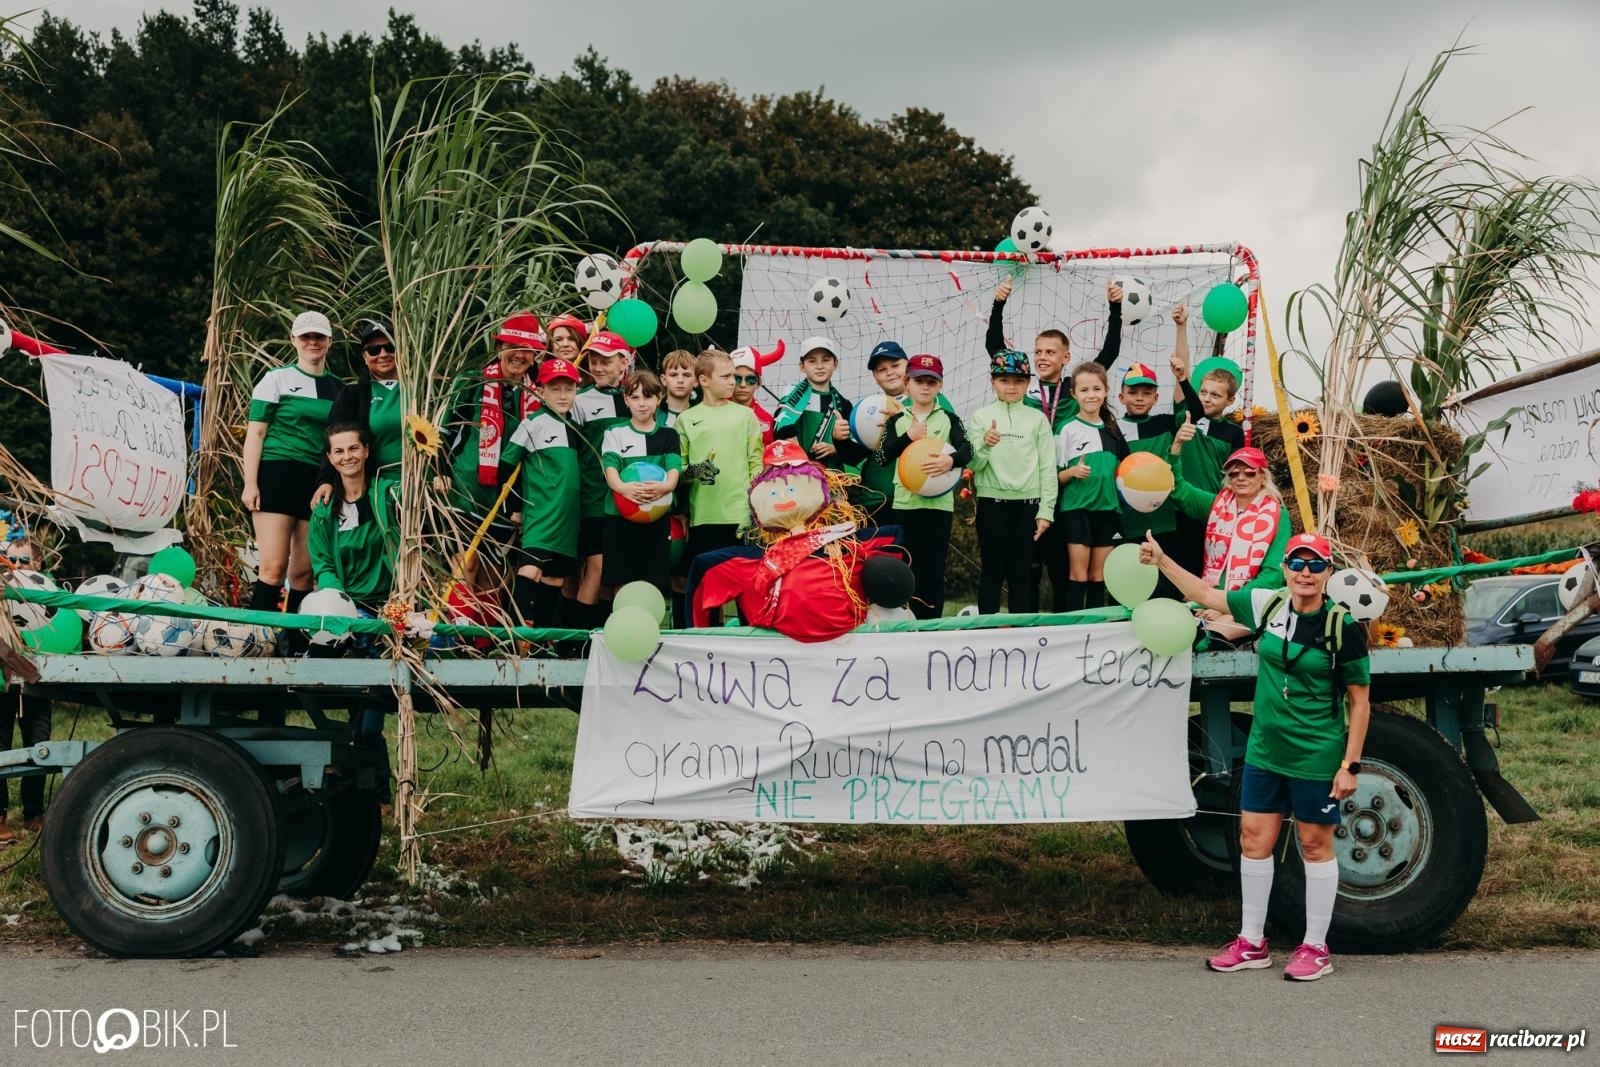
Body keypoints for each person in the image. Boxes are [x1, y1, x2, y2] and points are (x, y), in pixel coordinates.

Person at [1139, 529, 1370, 982]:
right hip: (1266, 749)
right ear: (1285, 568)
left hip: (1316, 754)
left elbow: (1359, 702)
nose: (1305, 573)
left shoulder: (1340, 626)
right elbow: (1206, 593)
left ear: (1327, 573)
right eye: (1297, 564)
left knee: (1313, 845)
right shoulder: (1268, 604)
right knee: (1252, 840)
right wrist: (1163, 561)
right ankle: (1252, 942)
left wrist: (1350, 765)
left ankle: (1315, 947)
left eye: (1315, 564)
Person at [988, 277, 1124, 611]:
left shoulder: (1076, 387)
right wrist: (998, 304)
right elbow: (996, 348)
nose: (1042, 357)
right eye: (1038, 351)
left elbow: (1109, 353)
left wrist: (1115, 308)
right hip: (1030, 485)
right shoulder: (1022, 386)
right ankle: (1029, 627)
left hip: (1067, 490)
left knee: (1064, 566)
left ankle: (1067, 627)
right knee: (1028, 565)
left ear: (1066, 357)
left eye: (1050, 352)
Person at [305, 422, 399, 806]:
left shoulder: (386, 496)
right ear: (330, 458)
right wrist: (339, 600)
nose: (347, 457)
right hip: (344, 605)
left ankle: (364, 769)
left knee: (373, 673)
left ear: (366, 451)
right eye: (339, 451)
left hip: (387, 603)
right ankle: (370, 772)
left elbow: (402, 546)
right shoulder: (325, 507)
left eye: (353, 449)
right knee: (363, 677)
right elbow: (322, 561)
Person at [242, 311, 341, 618]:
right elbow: (256, 433)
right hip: (277, 474)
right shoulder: (276, 379)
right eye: (306, 336)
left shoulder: (339, 389)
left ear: (329, 342)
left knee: (303, 574)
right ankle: (258, 635)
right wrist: (250, 483)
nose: (313, 342)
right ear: (294, 340)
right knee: (273, 567)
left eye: (319, 337)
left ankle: (294, 643)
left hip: (318, 481)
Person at [1164, 438, 1291, 642]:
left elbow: (1272, 575)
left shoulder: (1278, 514)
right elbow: (1179, 490)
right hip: (1209, 600)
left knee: (1205, 641)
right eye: (1233, 473)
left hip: (1249, 602)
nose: (1241, 477)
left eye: (1249, 472)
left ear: (1263, 477)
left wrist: (1225, 605)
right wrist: (1176, 449)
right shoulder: (1217, 505)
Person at [674, 350, 764, 624]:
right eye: (726, 377)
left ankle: (753, 645)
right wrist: (694, 471)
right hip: (704, 517)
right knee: (709, 592)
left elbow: (756, 463)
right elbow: (678, 468)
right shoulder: (686, 419)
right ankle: (710, 649)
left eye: (735, 377)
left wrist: (754, 507)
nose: (734, 383)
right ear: (703, 380)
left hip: (742, 517)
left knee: (749, 587)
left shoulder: (745, 416)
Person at [968, 349, 1057, 614]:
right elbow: (972, 464)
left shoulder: (1038, 419)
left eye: (1018, 381)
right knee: (992, 572)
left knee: (1022, 574)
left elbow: (1047, 467)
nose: (1011, 386)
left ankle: (1021, 638)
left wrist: (1046, 511)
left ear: (1028, 383)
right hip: (992, 504)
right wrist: (984, 444)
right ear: (992, 381)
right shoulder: (980, 417)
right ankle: (986, 636)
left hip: (1028, 505)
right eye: (1004, 380)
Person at [882, 355, 971, 619]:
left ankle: (932, 625)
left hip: (939, 506)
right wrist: (907, 437)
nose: (925, 387)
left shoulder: (950, 419)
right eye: (919, 380)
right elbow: (882, 457)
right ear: (907, 383)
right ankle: (909, 623)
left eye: (932, 382)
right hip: (906, 504)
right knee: (910, 567)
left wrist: (950, 460)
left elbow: (969, 449)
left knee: (934, 570)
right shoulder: (896, 420)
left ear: (939, 386)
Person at [500, 357, 586, 626]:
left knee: (556, 578)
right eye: (555, 388)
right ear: (540, 390)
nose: (562, 395)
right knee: (530, 569)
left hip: (568, 517)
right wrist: (515, 507)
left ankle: (542, 639)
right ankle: (514, 633)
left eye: (568, 389)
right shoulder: (532, 423)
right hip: (540, 514)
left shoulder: (576, 426)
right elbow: (506, 465)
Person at [439, 312, 545, 524]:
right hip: (466, 486)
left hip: (512, 496)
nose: (519, 355)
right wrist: (441, 472)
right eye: (512, 346)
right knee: (465, 557)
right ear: (499, 348)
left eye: (526, 350)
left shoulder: (539, 395)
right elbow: (443, 430)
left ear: (534, 355)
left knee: (497, 557)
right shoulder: (471, 382)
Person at [1169, 306, 1244, 576]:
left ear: (1229, 400)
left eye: (1215, 394)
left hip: (1213, 510)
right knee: (1176, 571)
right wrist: (1181, 326)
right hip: (1178, 507)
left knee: (1206, 574)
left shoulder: (1233, 432)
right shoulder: (1186, 414)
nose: (1207, 398)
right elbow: (1181, 370)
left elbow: (1238, 476)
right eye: (1203, 391)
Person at [570, 330, 633, 629]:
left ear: (624, 362)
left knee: (617, 572)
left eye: (606, 361)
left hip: (629, 500)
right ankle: (577, 642)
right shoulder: (579, 400)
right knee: (593, 567)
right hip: (592, 497)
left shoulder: (638, 397)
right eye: (593, 360)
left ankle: (605, 636)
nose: (597, 366)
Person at [601, 369, 682, 598]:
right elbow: (610, 469)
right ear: (626, 400)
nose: (642, 404)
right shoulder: (615, 432)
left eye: (647, 397)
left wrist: (666, 486)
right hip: (619, 517)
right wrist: (623, 488)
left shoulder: (669, 435)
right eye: (635, 397)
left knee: (653, 582)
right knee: (622, 581)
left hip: (656, 518)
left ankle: (651, 630)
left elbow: (674, 469)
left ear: (659, 398)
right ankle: (622, 629)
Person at [1055, 363, 1130, 610]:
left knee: (1098, 577)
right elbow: (1053, 476)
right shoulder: (1066, 429)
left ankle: (1094, 632)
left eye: (1097, 388)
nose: (1091, 395)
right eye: (1084, 389)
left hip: (1108, 511)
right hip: (1077, 509)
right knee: (1078, 575)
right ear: (1074, 393)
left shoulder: (1112, 430)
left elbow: (1127, 471)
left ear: (1106, 391)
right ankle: (1072, 630)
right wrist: (1072, 472)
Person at [1, 534, 50, 843]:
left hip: (37, 680)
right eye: (9, 559)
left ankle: (34, 812)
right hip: (1, 681)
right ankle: (0, 815)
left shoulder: (49, 592)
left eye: (22, 560)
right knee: (0, 746)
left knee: (39, 743)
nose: (15, 567)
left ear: (38, 563)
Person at [773, 337, 866, 474]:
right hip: (798, 476)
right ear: (802, 366)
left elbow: (856, 451)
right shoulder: (791, 395)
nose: (819, 366)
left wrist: (835, 448)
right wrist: (802, 461)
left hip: (833, 480)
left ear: (835, 364)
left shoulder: (843, 404)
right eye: (812, 361)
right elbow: (781, 429)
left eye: (826, 360)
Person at [729, 344, 779, 445]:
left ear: (758, 383)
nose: (743, 385)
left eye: (750, 380)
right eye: (737, 379)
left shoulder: (766, 421)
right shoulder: (714, 409)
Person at [658, 349, 698, 427]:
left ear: (696, 381)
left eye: (686, 375)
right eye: (673, 375)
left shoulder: (701, 418)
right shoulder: (651, 415)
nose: (680, 380)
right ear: (664, 379)